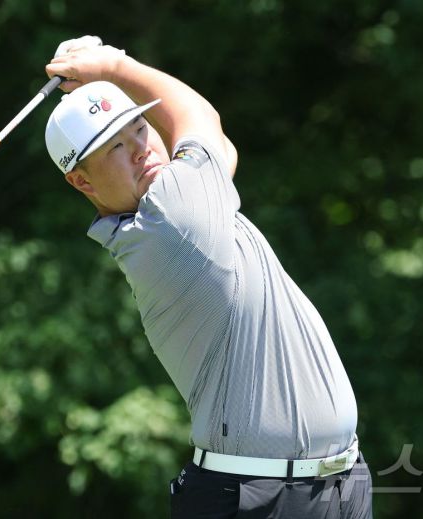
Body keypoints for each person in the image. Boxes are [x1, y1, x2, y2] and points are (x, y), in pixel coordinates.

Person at [44, 36, 373, 519]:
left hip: (332, 485)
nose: (140, 150)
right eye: (115, 147)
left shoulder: (184, 207)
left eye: (140, 128)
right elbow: (202, 119)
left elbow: (220, 149)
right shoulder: (171, 222)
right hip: (257, 496)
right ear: (82, 180)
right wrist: (115, 66)